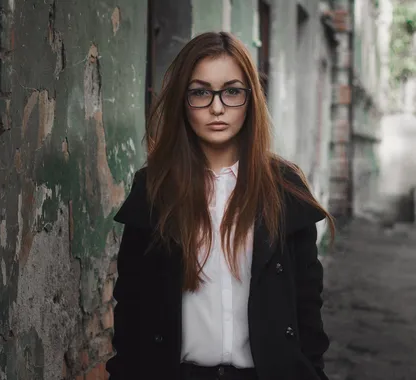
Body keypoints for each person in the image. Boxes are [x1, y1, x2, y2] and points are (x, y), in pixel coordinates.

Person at [106, 31, 335, 380]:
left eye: (231, 91)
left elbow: (307, 306)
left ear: (251, 99)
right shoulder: (154, 187)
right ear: (183, 101)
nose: (217, 107)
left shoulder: (283, 186)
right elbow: (131, 307)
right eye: (200, 92)